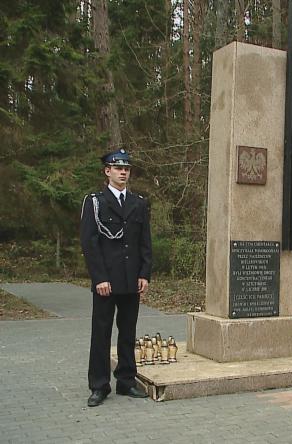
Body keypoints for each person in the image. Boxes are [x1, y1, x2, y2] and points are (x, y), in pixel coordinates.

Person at [80, 148, 152, 407]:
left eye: (127, 168)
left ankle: (126, 380)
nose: (123, 172)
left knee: (128, 332)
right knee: (101, 333)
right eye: (117, 167)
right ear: (107, 171)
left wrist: (145, 273)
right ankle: (99, 385)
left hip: (131, 279)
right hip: (106, 281)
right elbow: (90, 243)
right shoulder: (95, 202)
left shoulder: (138, 203)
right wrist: (99, 277)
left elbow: (145, 242)